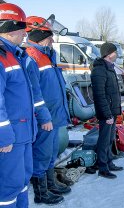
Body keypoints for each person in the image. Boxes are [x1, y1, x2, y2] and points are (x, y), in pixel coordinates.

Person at [25, 16, 71, 204]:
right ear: (37, 35)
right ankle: (41, 192)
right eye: (48, 36)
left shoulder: (47, 55)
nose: (52, 40)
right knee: (41, 154)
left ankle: (50, 183)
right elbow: (34, 93)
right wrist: (43, 117)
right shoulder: (31, 57)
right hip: (44, 117)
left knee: (51, 153)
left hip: (55, 115)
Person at [0, 3, 37, 207]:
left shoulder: (15, 54)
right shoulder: (2, 56)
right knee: (7, 189)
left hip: (22, 134)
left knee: (22, 182)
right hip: (9, 139)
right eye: (23, 28)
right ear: (11, 28)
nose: (25, 33)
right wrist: (3, 136)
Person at [91, 43, 123, 179]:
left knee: (110, 139)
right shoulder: (100, 70)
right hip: (106, 113)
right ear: (109, 54)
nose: (117, 54)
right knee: (104, 140)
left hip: (112, 111)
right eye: (115, 52)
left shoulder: (110, 68)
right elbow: (99, 95)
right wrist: (107, 114)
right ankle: (103, 167)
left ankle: (109, 162)